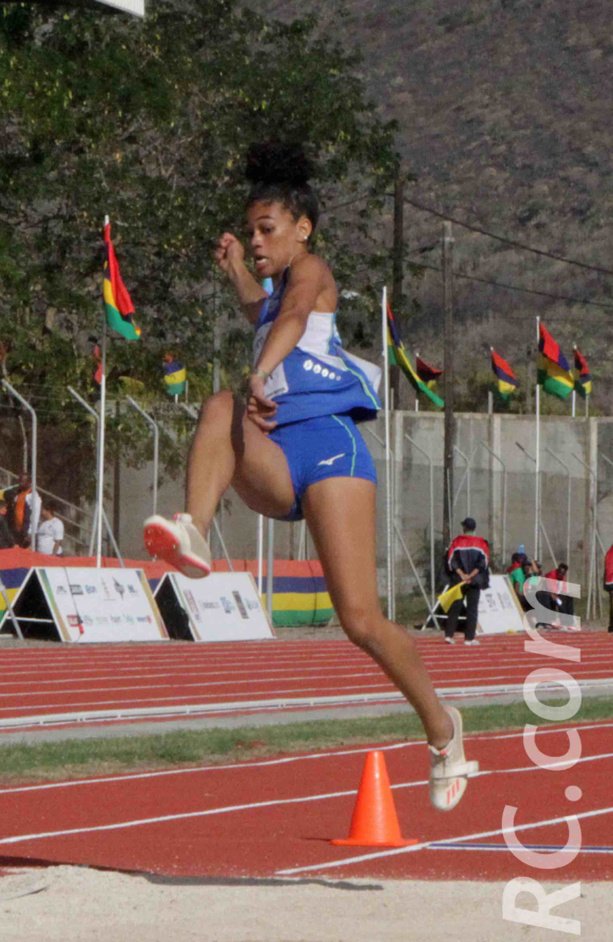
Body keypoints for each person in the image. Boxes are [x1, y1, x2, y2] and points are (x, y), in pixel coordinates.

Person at [143, 142, 478, 810]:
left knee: (359, 620)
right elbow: (261, 308)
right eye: (251, 230)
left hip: (330, 449)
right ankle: (194, 530)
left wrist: (262, 372)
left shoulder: (314, 273)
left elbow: (291, 315)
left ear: (302, 229)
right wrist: (237, 270)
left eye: (266, 231)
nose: (258, 240)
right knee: (217, 407)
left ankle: (443, 731)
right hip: (274, 451)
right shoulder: (267, 291)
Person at [443, 517, 490, 646]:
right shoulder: (481, 543)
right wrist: (471, 575)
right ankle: (469, 638)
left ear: (464, 528)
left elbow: (451, 560)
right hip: (474, 580)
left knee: (455, 607)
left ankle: (449, 635)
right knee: (472, 608)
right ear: (474, 528)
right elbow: (483, 563)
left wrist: (462, 574)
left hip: (459, 580)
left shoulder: (457, 542)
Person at [5, 471, 41, 547]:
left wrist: (31, 532)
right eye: (20, 481)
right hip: (17, 530)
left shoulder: (32, 495)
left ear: (29, 482)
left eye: (23, 481)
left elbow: (35, 514)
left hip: (26, 531)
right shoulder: (19, 494)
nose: (21, 483)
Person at [604, 544, 613, 633]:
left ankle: (611, 626)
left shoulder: (610, 552)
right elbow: (610, 570)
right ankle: (611, 626)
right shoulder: (611, 554)